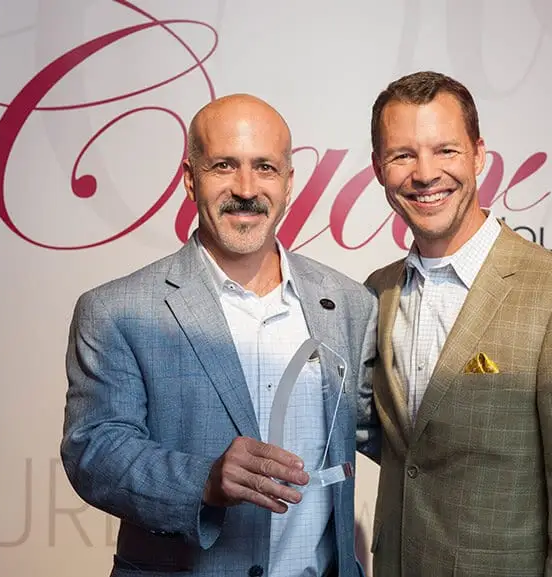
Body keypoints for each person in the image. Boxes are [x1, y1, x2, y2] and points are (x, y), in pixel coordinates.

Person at [61, 94, 377, 577]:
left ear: (289, 183)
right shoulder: (116, 310)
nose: (246, 188)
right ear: (191, 179)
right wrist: (203, 481)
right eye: (224, 165)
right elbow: (94, 451)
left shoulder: (349, 302)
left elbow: (386, 432)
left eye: (265, 168)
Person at [362, 71, 552, 577]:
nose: (425, 174)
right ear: (379, 168)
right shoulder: (378, 291)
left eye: (445, 151)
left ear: (478, 155)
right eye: (402, 155)